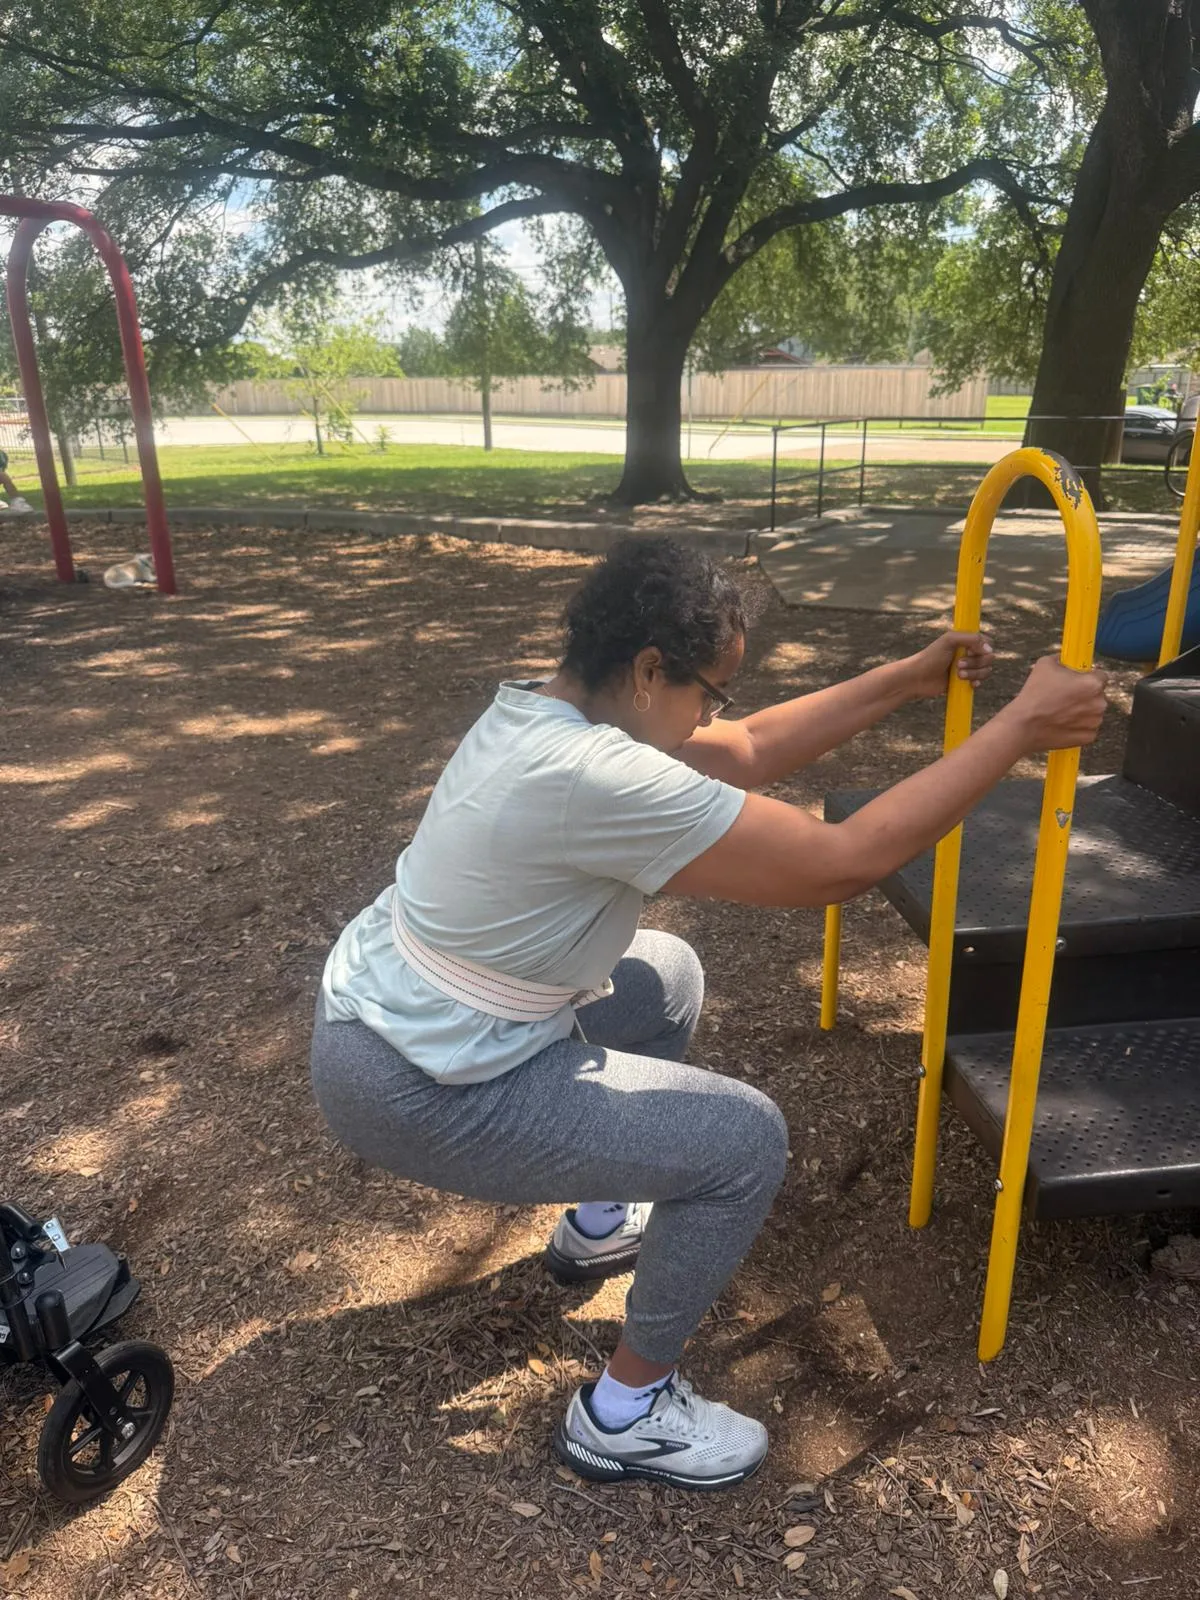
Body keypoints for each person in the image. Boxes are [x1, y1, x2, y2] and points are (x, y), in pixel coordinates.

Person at [310, 536, 1107, 1491]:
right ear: (650, 671)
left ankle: (602, 1220)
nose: (715, 715)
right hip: (418, 1084)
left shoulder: (545, 708)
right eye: (709, 692)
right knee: (741, 1143)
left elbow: (755, 748)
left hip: (397, 1016)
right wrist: (1020, 728)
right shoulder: (596, 778)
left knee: (667, 973)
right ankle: (626, 1410)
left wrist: (910, 676)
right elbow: (838, 862)